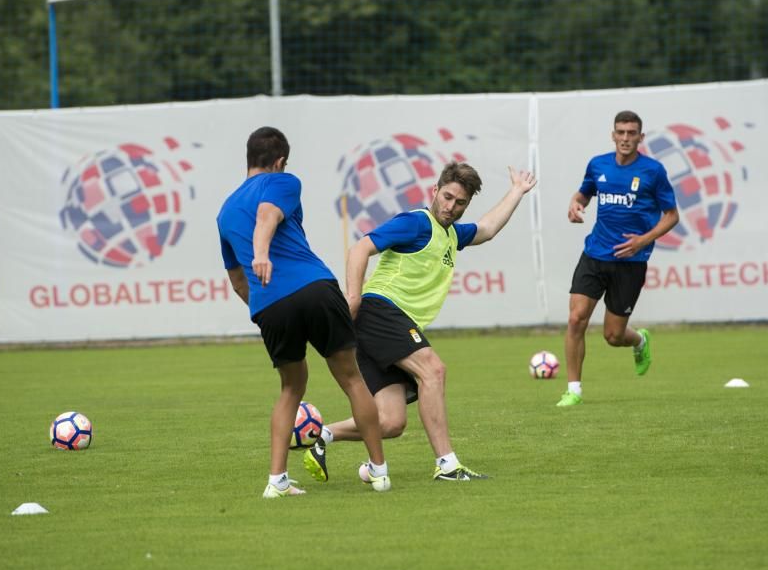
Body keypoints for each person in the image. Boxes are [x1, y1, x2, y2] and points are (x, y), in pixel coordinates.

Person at [303, 162, 537, 483]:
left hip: (383, 325)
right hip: (380, 311)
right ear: (435, 191)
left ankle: (321, 436)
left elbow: (487, 229)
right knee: (434, 370)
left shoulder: (452, 234)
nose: (451, 207)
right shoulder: (416, 223)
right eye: (448, 197)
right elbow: (360, 248)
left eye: (460, 203)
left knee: (391, 423)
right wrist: (353, 298)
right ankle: (447, 465)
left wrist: (516, 191)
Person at [216, 126, 389, 498]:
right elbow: (266, 215)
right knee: (352, 379)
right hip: (313, 288)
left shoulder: (225, 212)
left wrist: (265, 306)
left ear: (248, 159)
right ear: (279, 162)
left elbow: (236, 279)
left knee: (291, 386)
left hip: (270, 304)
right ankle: (378, 471)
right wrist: (262, 252)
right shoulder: (283, 182)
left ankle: (276, 481)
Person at [556, 110, 679, 407]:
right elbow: (584, 193)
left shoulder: (653, 171)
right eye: (620, 132)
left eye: (631, 133)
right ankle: (574, 390)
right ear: (613, 135)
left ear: (640, 137)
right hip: (594, 254)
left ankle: (640, 341)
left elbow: (672, 216)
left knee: (613, 336)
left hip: (630, 262)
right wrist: (575, 205)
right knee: (575, 319)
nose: (625, 138)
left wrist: (642, 241)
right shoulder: (598, 165)